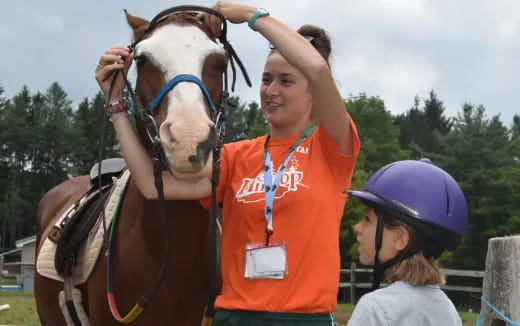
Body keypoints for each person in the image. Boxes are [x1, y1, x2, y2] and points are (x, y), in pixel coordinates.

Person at [95, 2, 360, 325]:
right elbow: (151, 186)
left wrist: (251, 17)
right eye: (266, 79)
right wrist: (116, 106)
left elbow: (318, 70)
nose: (271, 91)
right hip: (233, 317)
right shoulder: (235, 157)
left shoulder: (332, 149)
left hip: (302, 319)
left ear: (313, 93)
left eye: (286, 81)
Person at [345, 158, 468, 326]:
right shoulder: (448, 310)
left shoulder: (375, 309)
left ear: (400, 239)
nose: (357, 227)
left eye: (367, 219)